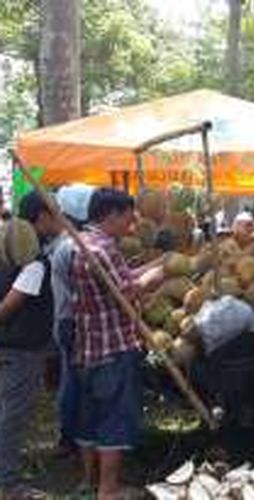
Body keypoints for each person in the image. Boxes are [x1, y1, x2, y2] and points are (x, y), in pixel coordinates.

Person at [70, 188, 164, 500]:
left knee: (90, 417)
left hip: (87, 347)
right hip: (113, 348)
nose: (131, 224)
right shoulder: (104, 249)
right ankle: (108, 490)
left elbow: (115, 280)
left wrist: (151, 266)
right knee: (114, 418)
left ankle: (89, 481)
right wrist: (153, 277)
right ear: (111, 215)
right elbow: (125, 291)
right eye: (127, 217)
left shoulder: (79, 243)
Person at [0, 191, 62, 498]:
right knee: (12, 416)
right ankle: (8, 484)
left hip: (14, 348)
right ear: (41, 218)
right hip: (20, 351)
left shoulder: (10, 247)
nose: (61, 219)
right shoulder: (33, 260)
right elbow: (9, 306)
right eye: (56, 213)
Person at [51, 184, 95, 457]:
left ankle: (70, 437)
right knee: (77, 382)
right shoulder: (74, 246)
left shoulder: (66, 243)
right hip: (73, 320)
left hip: (66, 319)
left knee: (72, 380)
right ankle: (73, 438)